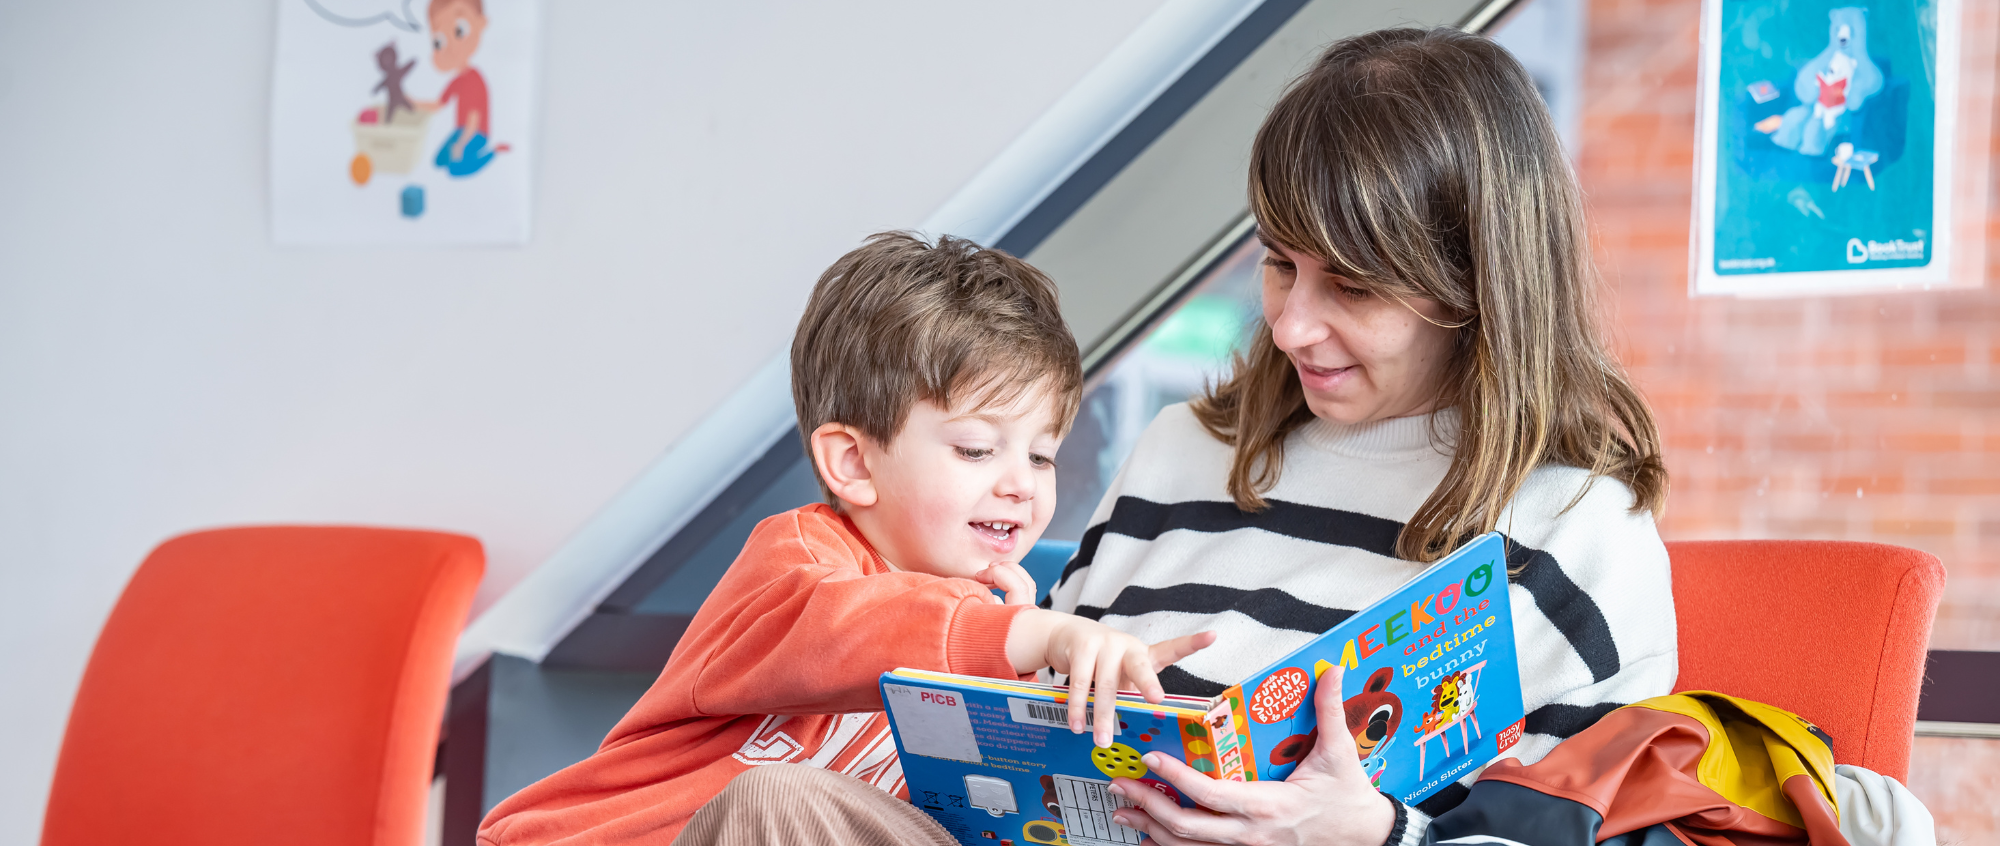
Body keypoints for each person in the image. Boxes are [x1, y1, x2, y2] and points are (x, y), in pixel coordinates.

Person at [672, 27, 1677, 846]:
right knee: (771, 809)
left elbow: (1587, 831)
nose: (1288, 327)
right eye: (1279, 266)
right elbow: (1030, 716)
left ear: (1475, 288)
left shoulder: (1574, 531)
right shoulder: (1182, 449)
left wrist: (1366, 833)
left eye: (1353, 288)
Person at [475, 233, 1215, 846]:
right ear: (854, 463)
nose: (1022, 484)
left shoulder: (999, 623)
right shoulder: (796, 562)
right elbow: (846, 630)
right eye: (976, 450)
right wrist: (1023, 634)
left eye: (1042, 455)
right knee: (774, 801)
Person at [420, 0, 504, 176]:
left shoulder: (475, 79)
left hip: (476, 133)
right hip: (460, 131)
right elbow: (439, 104)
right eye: (439, 41)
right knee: (438, 162)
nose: (450, 47)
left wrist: (460, 144)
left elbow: (473, 120)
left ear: (480, 24)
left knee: (454, 169)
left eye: (458, 31)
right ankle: (462, 152)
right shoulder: (457, 81)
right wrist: (412, 103)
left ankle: (492, 152)